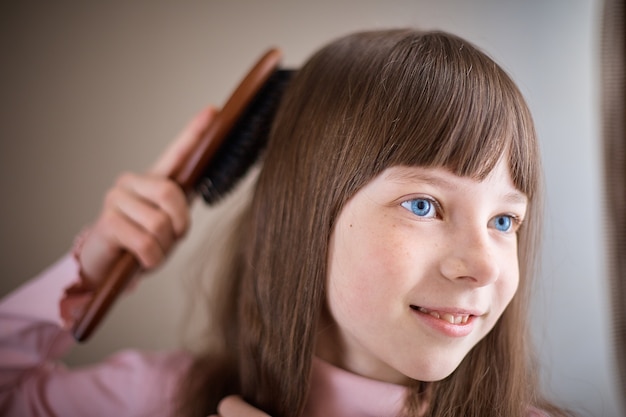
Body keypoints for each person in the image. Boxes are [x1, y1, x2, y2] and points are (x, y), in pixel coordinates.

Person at [0, 28, 573, 417]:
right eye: (424, 205)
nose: (480, 266)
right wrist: (91, 269)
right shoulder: (165, 398)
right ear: (306, 217)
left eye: (504, 220)